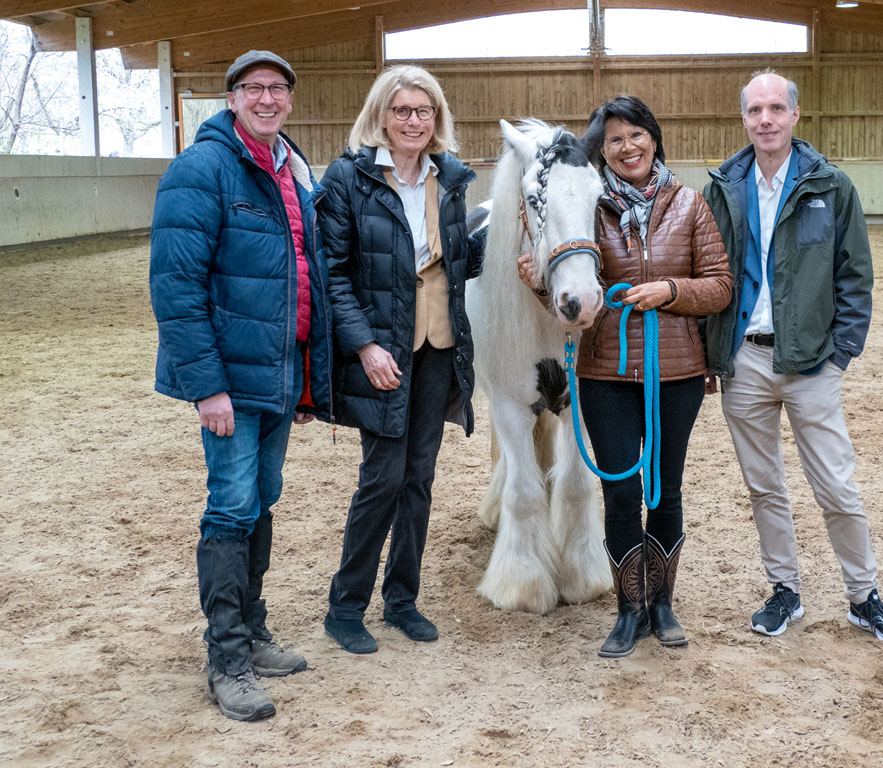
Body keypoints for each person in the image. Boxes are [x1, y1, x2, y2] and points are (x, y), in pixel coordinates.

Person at [702, 70, 883, 645]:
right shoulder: (722, 187)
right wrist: (712, 353)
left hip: (812, 361)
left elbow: (855, 273)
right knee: (764, 486)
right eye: (755, 110)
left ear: (795, 115)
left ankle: (864, 596)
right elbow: (705, 272)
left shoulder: (831, 185)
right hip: (744, 360)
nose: (765, 119)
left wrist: (841, 352)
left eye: (776, 108)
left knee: (836, 486)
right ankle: (785, 590)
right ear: (744, 119)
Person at [150, 50, 333, 721]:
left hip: (279, 376)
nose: (266, 98)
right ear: (231, 99)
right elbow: (176, 286)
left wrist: (305, 380)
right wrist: (206, 387)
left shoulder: (293, 169)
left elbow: (305, 275)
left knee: (261, 499)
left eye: (277, 88)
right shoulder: (201, 169)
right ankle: (226, 658)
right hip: (229, 380)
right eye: (252, 87)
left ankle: (252, 630)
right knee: (230, 506)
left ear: (289, 99)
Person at [523, 96, 732, 657]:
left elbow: (719, 284)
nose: (627, 147)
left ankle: (662, 604)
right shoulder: (589, 208)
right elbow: (569, 286)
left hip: (676, 371)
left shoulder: (689, 205)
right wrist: (538, 284)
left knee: (665, 490)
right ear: (604, 152)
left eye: (636, 135)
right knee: (620, 492)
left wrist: (670, 290)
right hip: (605, 373)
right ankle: (629, 608)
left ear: (654, 139)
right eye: (614, 139)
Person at [317, 65, 483, 654]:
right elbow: (333, 274)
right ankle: (345, 607)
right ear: (382, 116)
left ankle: (402, 599)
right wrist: (364, 345)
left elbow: (457, 259)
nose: (414, 121)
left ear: (437, 118)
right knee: (382, 477)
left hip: (438, 346)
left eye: (424, 111)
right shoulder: (349, 178)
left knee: (419, 477)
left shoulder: (450, 178)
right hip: (382, 350)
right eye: (402, 110)